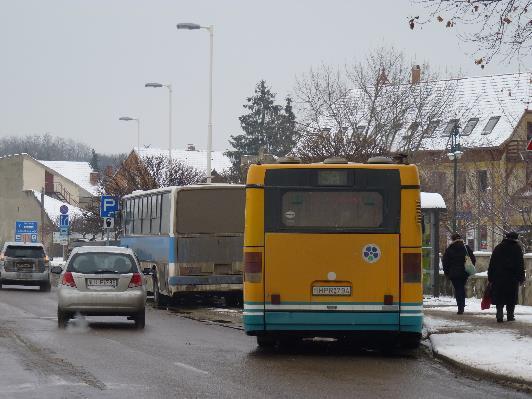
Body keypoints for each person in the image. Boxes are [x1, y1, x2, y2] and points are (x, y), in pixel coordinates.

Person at [488, 231, 526, 323]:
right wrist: (521, 277)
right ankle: (510, 315)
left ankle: (499, 314)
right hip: (512, 278)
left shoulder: (498, 247)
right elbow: (520, 264)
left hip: (498, 277)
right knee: (511, 297)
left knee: (499, 296)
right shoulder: (517, 248)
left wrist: (490, 277)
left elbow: (492, 263)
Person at [442, 233, 476, 314]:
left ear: (453, 239)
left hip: (453, 273)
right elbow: (473, 259)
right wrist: (469, 268)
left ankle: (460, 307)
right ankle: (462, 305)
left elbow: (445, 262)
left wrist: (447, 272)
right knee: (462, 287)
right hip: (464, 272)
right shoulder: (466, 248)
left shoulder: (449, 249)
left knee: (458, 289)